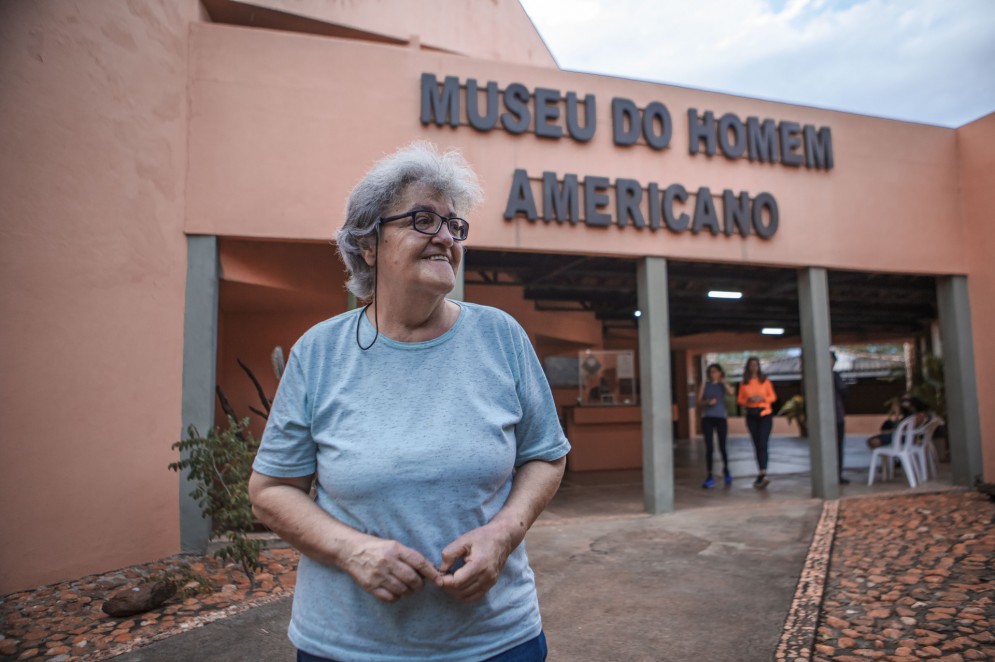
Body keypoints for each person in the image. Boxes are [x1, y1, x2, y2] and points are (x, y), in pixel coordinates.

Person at [248, 141, 570, 662]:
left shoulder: (500, 336)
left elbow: (546, 455)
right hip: (348, 646)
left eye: (454, 225)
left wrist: (503, 534)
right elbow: (270, 490)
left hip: (496, 641)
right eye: (423, 220)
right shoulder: (320, 351)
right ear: (369, 244)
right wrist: (351, 550)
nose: (446, 237)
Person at [737, 356, 777, 489]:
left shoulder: (765, 381)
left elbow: (773, 397)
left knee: (763, 442)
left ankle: (764, 471)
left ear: (759, 367)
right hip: (751, 414)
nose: (754, 367)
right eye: (751, 365)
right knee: (756, 443)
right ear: (748, 367)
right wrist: (749, 399)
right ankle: (760, 470)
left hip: (764, 413)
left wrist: (762, 397)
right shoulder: (744, 383)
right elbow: (740, 399)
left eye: (756, 365)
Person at [696, 363, 735, 488]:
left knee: (722, 445)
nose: (713, 374)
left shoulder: (722, 385)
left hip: (720, 418)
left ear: (720, 373)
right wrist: (707, 402)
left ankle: (727, 469)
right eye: (711, 372)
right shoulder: (705, 385)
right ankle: (709, 474)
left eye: (715, 371)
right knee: (709, 447)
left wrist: (722, 381)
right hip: (708, 418)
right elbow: (698, 402)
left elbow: (731, 392)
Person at [831, 351, 850, 485]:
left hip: (837, 417)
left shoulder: (836, 376)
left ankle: (838, 474)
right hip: (824, 419)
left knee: (838, 446)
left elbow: (844, 392)